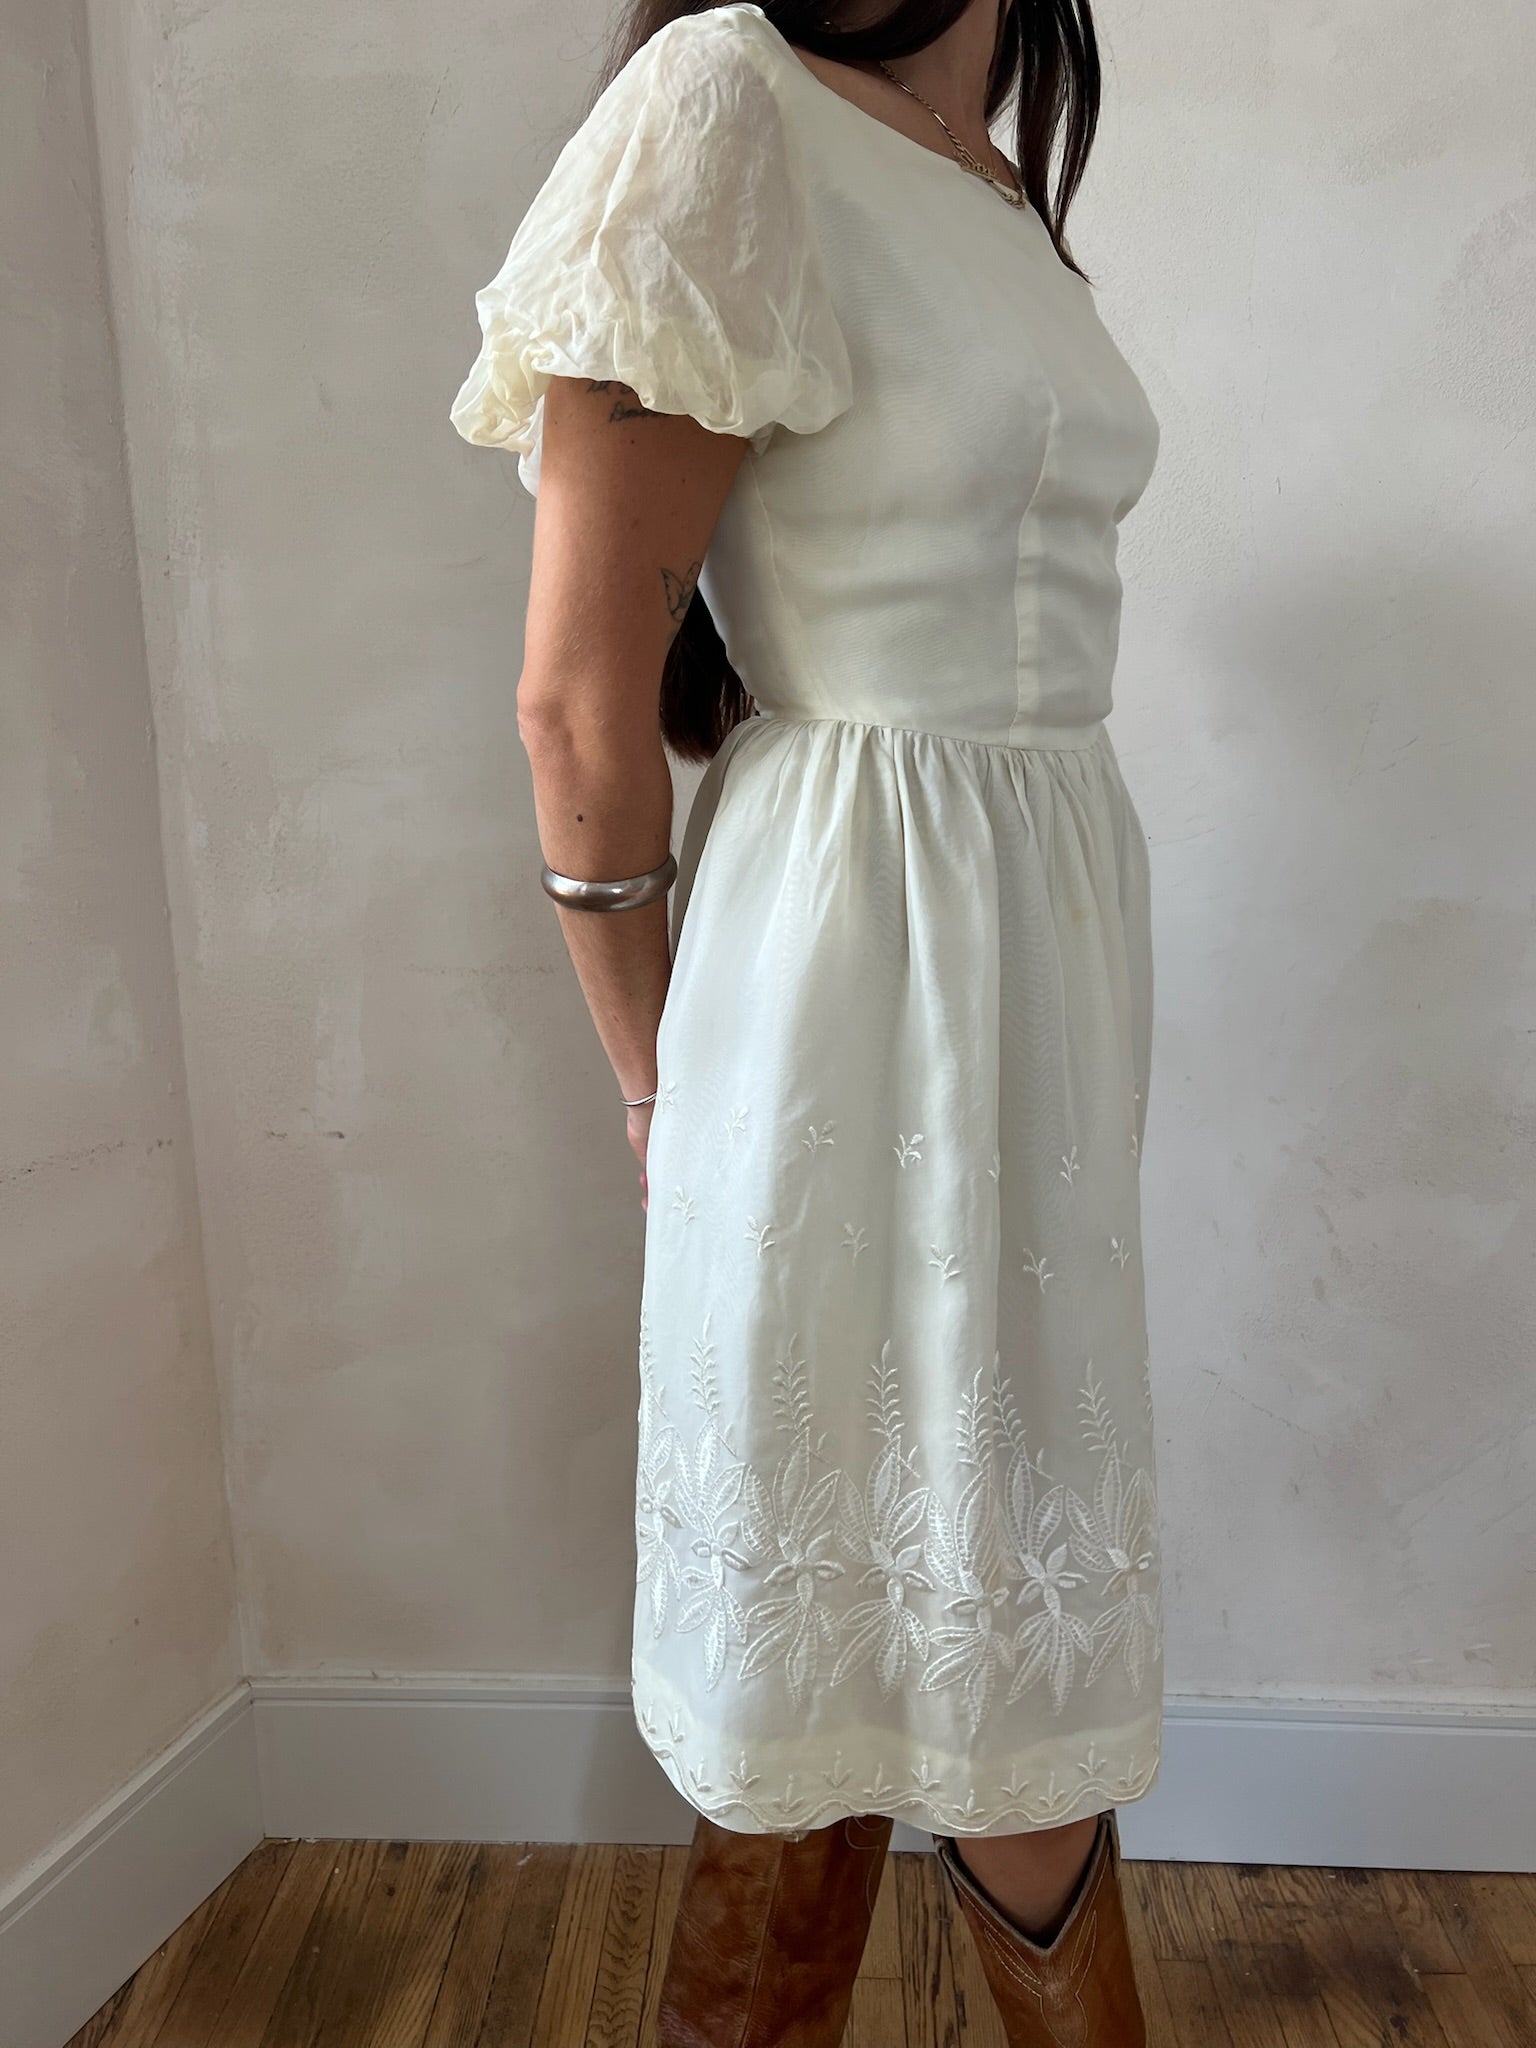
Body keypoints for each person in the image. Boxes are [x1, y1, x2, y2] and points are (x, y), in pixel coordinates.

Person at [451, 1, 1164, 2039]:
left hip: (1039, 958)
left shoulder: (985, 177)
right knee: (896, 1563)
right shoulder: (726, 105)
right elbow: (576, 702)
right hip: (855, 957)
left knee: (936, 1564)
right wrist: (654, 1081)